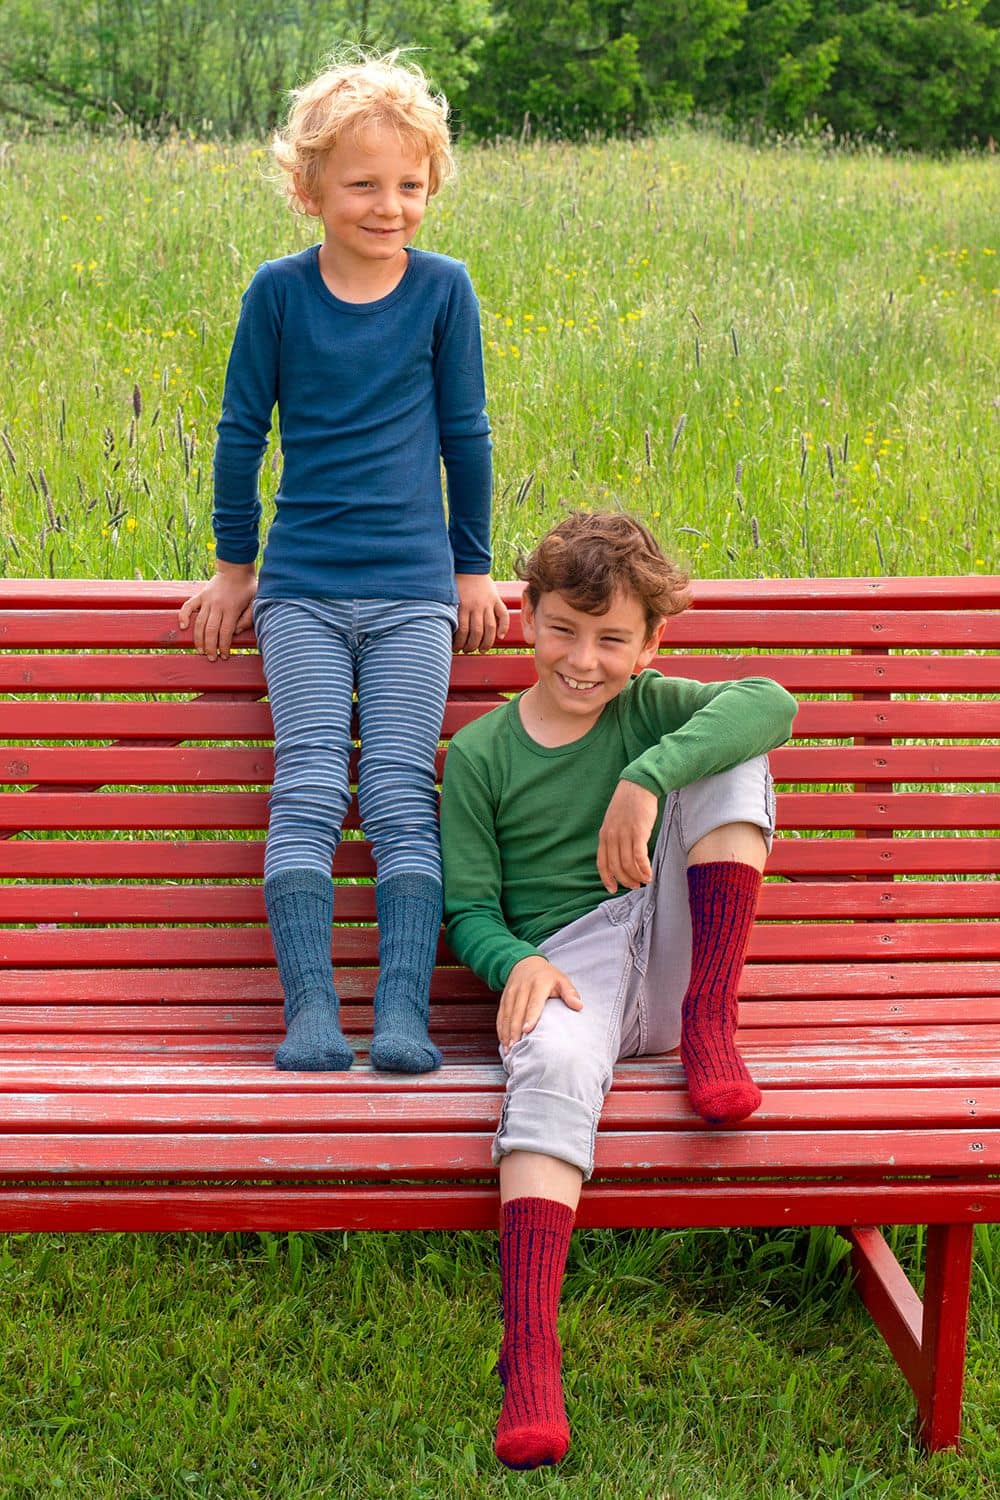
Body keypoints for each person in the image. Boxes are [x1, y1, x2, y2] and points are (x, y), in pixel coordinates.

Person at [440, 511, 798, 1469]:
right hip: (572, 967)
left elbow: (770, 700)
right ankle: (532, 1359)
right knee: (548, 1072)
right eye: (564, 629)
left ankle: (710, 1026)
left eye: (612, 640)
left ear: (650, 646)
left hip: (677, 946)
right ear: (526, 619)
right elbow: (468, 907)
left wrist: (647, 775)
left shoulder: (648, 711)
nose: (584, 660)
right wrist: (514, 960)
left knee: (737, 759)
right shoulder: (478, 755)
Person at [179, 52, 507, 1075]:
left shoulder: (444, 291)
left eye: (409, 185)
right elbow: (241, 434)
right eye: (363, 184)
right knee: (312, 786)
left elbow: (467, 436)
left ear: (433, 186)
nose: (389, 205)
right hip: (304, 595)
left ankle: (401, 1017)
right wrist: (236, 567)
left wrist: (471, 570)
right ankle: (312, 1014)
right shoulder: (277, 294)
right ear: (309, 187)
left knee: (407, 793)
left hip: (415, 595)